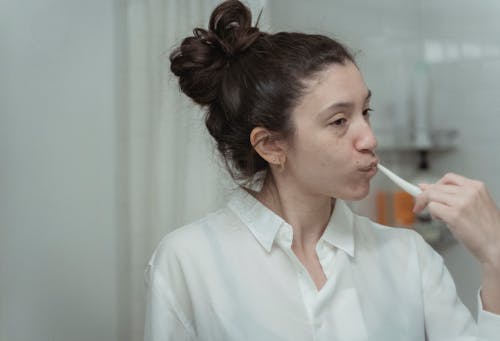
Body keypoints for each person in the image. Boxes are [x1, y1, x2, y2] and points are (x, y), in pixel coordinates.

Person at [144, 1, 500, 340]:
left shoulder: (409, 257)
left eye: (366, 112)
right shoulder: (188, 263)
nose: (369, 139)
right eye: (339, 120)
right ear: (270, 145)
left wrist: (496, 256)